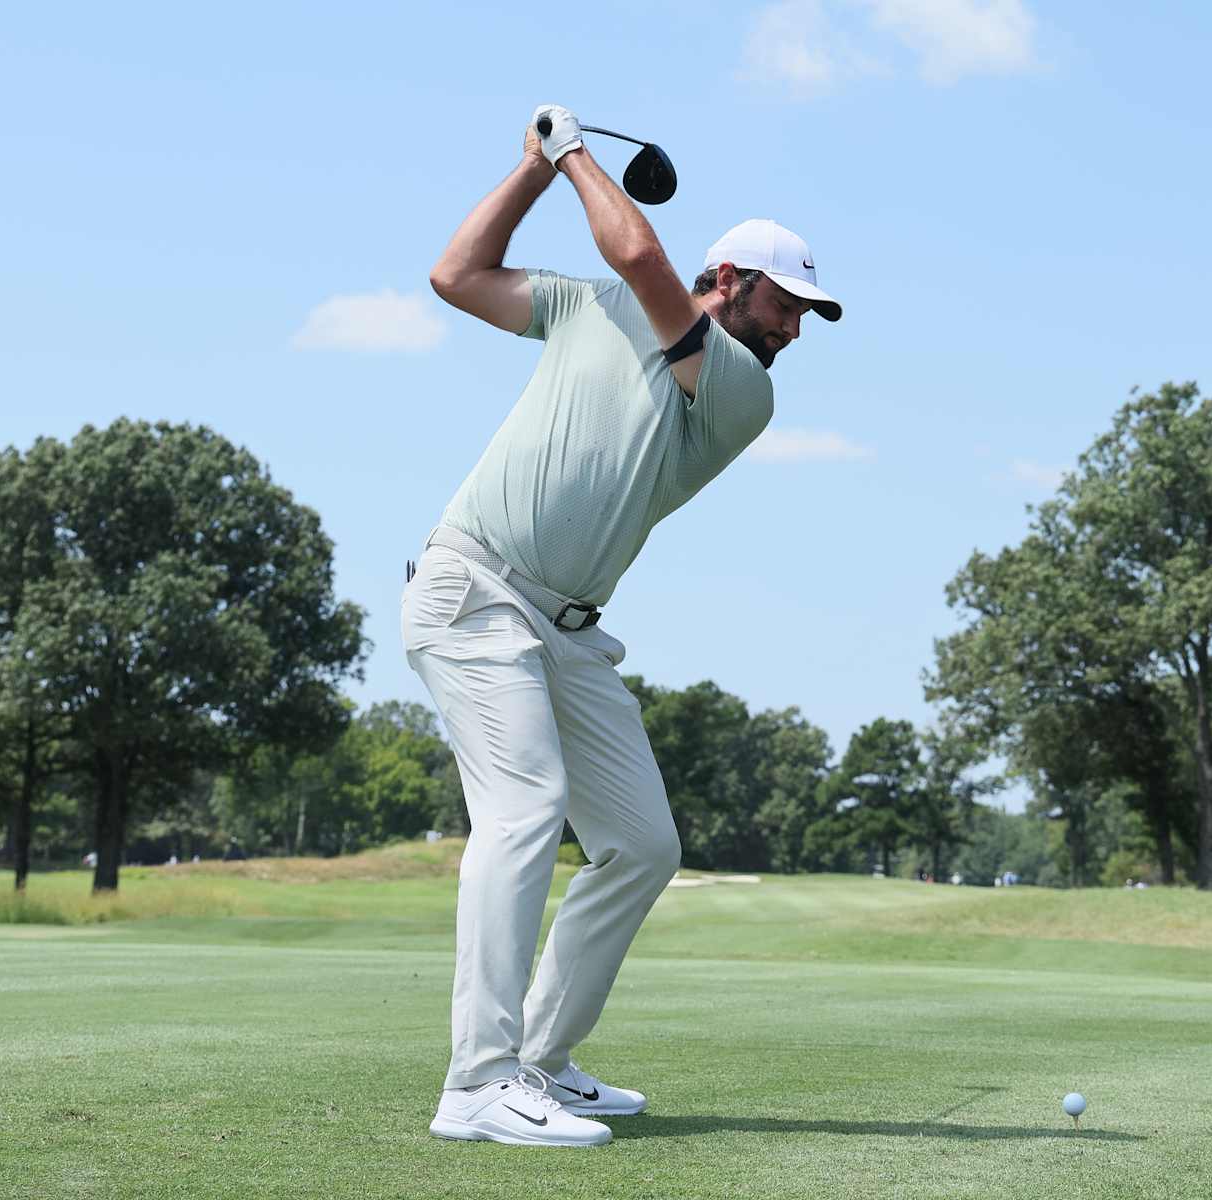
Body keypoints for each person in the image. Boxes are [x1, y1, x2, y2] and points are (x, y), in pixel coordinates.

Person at [404, 104, 840, 1150]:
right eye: (787, 304)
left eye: (805, 318)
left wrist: (572, 151)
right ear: (730, 281)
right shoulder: (587, 305)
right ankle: (477, 1083)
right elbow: (458, 275)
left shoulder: (736, 391)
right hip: (474, 590)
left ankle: (541, 1061)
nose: (792, 331)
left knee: (642, 843)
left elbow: (641, 251)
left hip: (564, 630)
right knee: (523, 810)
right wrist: (532, 173)